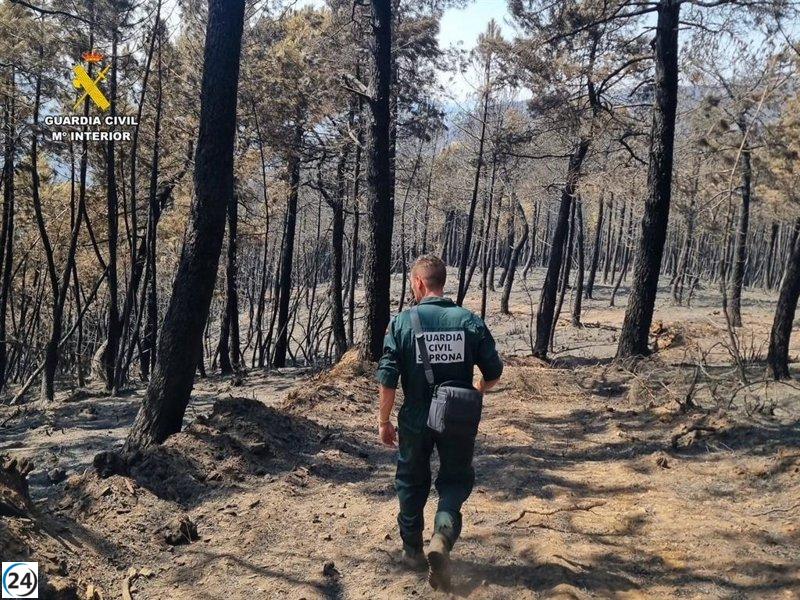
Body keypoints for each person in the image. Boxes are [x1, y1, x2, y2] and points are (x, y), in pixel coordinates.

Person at [376, 254, 503, 591]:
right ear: (441, 282)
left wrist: (383, 421)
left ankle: (413, 551)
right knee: (454, 481)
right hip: (456, 416)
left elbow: (387, 379)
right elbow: (494, 371)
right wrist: (478, 389)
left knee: (410, 482)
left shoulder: (401, 323)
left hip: (416, 417)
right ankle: (442, 539)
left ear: (418, 283)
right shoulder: (469, 321)